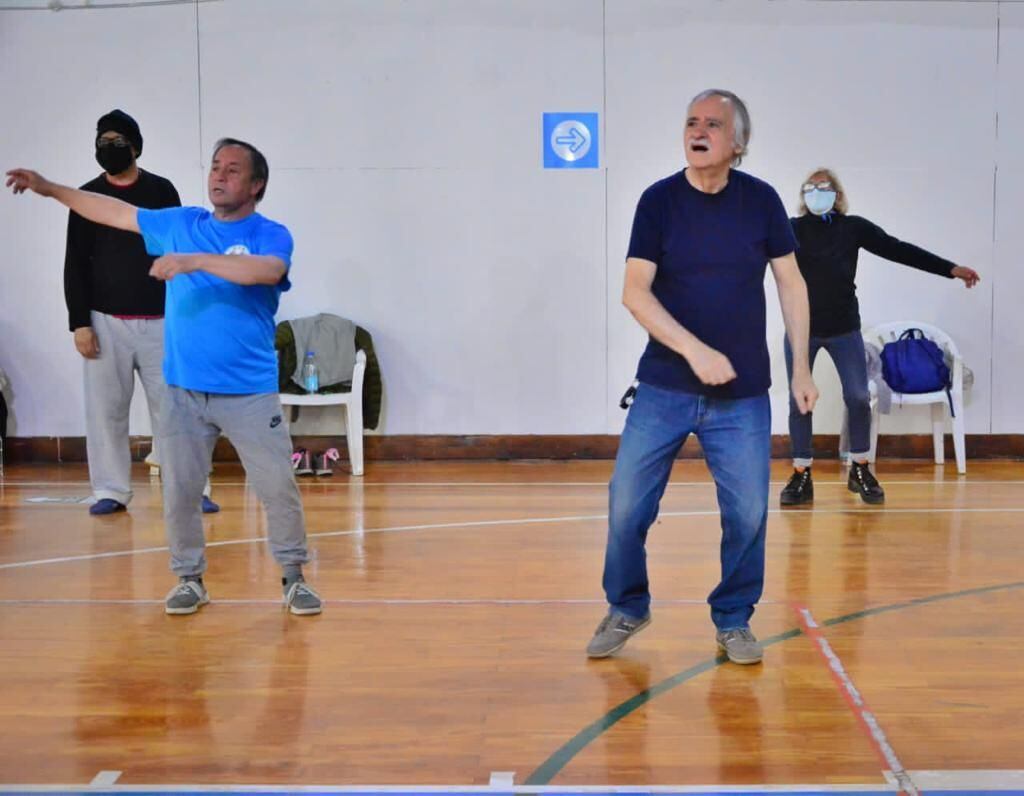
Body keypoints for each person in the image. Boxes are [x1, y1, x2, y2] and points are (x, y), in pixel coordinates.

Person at [8, 137, 322, 616]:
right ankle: (189, 578)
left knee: (277, 485)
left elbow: (265, 270)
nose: (219, 176)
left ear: (256, 185)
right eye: (215, 167)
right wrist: (51, 188)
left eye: (233, 170)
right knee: (179, 490)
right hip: (183, 389)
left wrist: (192, 260)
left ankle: (294, 577)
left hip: (249, 392)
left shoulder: (270, 233)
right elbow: (112, 210)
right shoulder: (182, 224)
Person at [586, 89, 817, 665]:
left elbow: (792, 284)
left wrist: (801, 366)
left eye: (713, 124)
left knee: (747, 514)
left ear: (736, 143)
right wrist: (694, 352)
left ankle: (734, 619)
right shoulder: (659, 202)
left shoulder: (761, 202)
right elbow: (634, 292)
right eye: (692, 121)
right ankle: (628, 606)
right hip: (664, 387)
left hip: (741, 398)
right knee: (627, 506)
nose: (699, 130)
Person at [779, 168, 980, 506]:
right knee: (800, 399)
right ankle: (801, 474)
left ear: (837, 194)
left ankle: (860, 468)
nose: (816, 193)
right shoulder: (791, 228)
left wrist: (950, 268)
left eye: (823, 187)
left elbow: (897, 249)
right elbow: (753, 250)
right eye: (810, 188)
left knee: (858, 396)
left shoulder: (852, 227)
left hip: (844, 327)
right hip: (803, 328)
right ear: (802, 196)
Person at [65, 109, 219, 516]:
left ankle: (190, 488)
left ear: (134, 146)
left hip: (163, 321)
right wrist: (79, 322)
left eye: (116, 142)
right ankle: (111, 490)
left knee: (176, 410)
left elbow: (179, 250)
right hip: (103, 322)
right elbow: (74, 263)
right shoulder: (86, 197)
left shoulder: (160, 191)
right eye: (102, 143)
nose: (108, 149)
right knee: (105, 412)